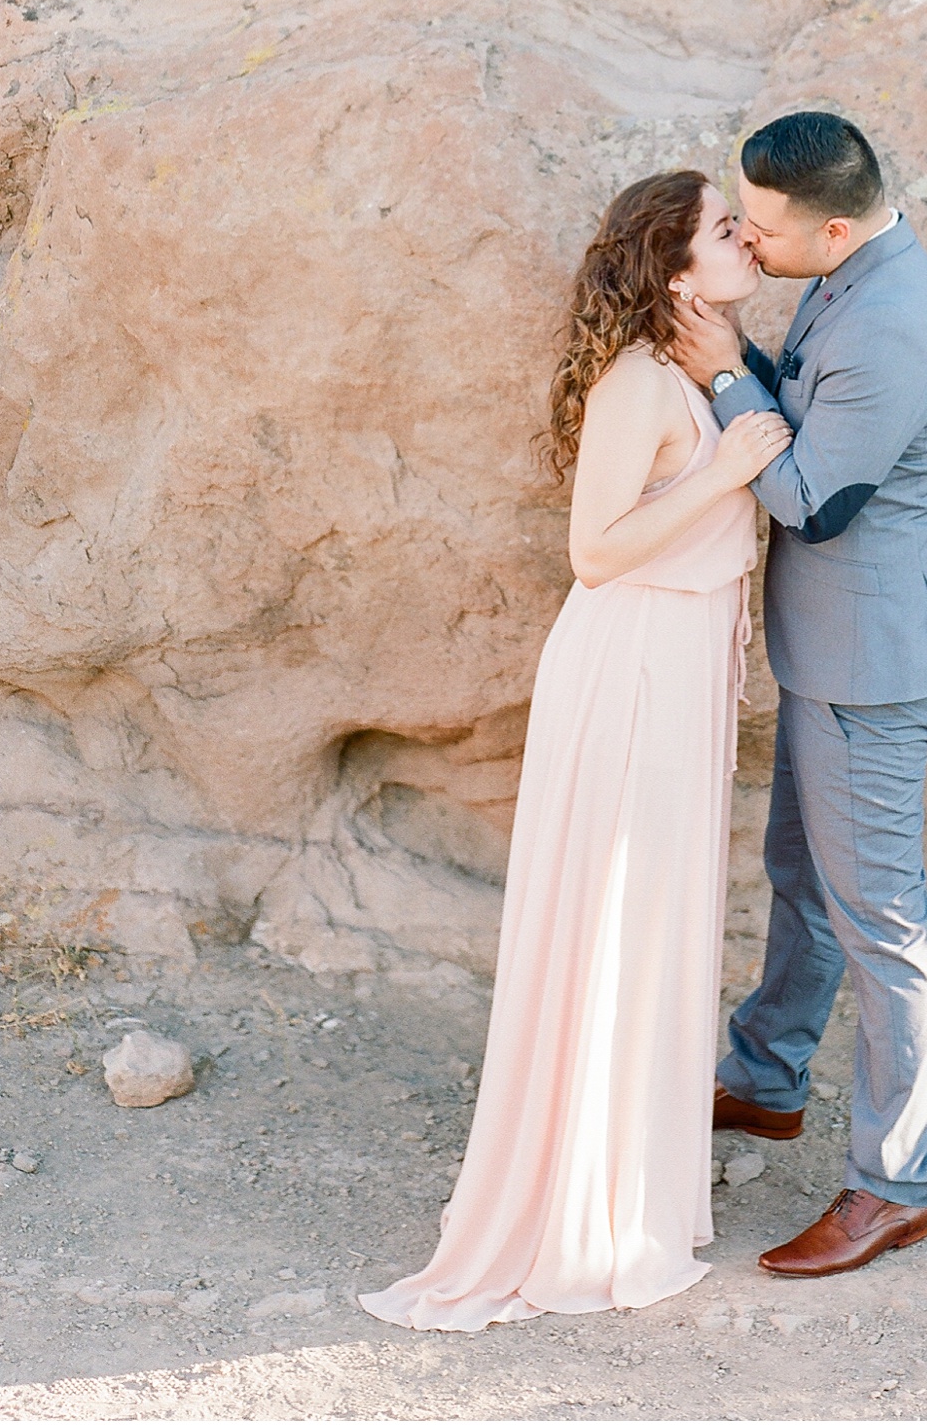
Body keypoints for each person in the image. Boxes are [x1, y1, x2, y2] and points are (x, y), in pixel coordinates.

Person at [359, 170, 792, 1332]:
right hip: (632, 670)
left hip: (682, 665)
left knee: (657, 928)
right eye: (720, 230)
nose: (745, 238)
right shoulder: (638, 385)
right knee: (615, 923)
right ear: (672, 269)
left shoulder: (699, 368)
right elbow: (595, 552)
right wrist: (725, 470)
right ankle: (577, 1211)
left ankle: (633, 1192)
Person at [669, 110, 927, 1280]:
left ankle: (890, 1188)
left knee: (882, 925)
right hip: (831, 645)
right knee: (799, 874)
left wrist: (721, 375)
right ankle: (764, 1077)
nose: (743, 232)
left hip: (871, 661)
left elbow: (807, 497)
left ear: (832, 227)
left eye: (762, 223)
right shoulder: (853, 265)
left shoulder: (888, 326)